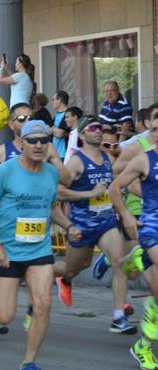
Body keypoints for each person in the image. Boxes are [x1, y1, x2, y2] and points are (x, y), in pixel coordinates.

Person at [0, 120, 80, 370]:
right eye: (32, 140)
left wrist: (68, 226)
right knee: (6, 316)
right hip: (7, 251)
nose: (38, 145)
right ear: (21, 144)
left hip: (39, 249)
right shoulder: (5, 172)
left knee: (43, 304)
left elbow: (51, 207)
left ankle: (28, 364)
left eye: (44, 140)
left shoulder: (50, 173)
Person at [51, 115, 134, 333]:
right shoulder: (76, 161)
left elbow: (108, 189)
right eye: (93, 127)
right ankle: (59, 277)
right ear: (81, 134)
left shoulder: (107, 158)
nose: (98, 131)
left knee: (120, 262)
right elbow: (58, 192)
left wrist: (119, 209)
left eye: (101, 127)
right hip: (81, 226)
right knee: (73, 268)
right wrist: (89, 193)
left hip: (105, 223)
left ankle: (118, 318)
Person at [109, 113, 158, 370]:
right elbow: (115, 187)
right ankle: (138, 257)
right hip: (153, 228)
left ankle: (143, 347)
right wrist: (127, 215)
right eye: (156, 128)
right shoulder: (143, 158)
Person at [51, 91, 71, 157]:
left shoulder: (68, 115)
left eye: (53, 100)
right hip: (55, 155)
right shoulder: (57, 115)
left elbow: (60, 133)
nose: (52, 102)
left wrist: (51, 129)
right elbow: (47, 129)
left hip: (64, 155)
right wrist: (53, 130)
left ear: (59, 100)